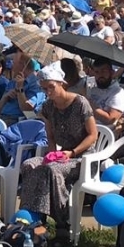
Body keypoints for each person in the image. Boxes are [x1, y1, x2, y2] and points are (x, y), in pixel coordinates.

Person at [17, 62, 98, 232]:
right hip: (63, 155)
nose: (48, 92)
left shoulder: (80, 103)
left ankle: (62, 222)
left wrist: (73, 152)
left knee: (51, 170)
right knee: (29, 165)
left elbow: (93, 135)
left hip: (83, 157)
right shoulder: (48, 106)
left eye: (51, 87)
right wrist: (53, 153)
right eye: (44, 88)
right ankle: (33, 217)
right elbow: (50, 135)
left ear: (61, 83)